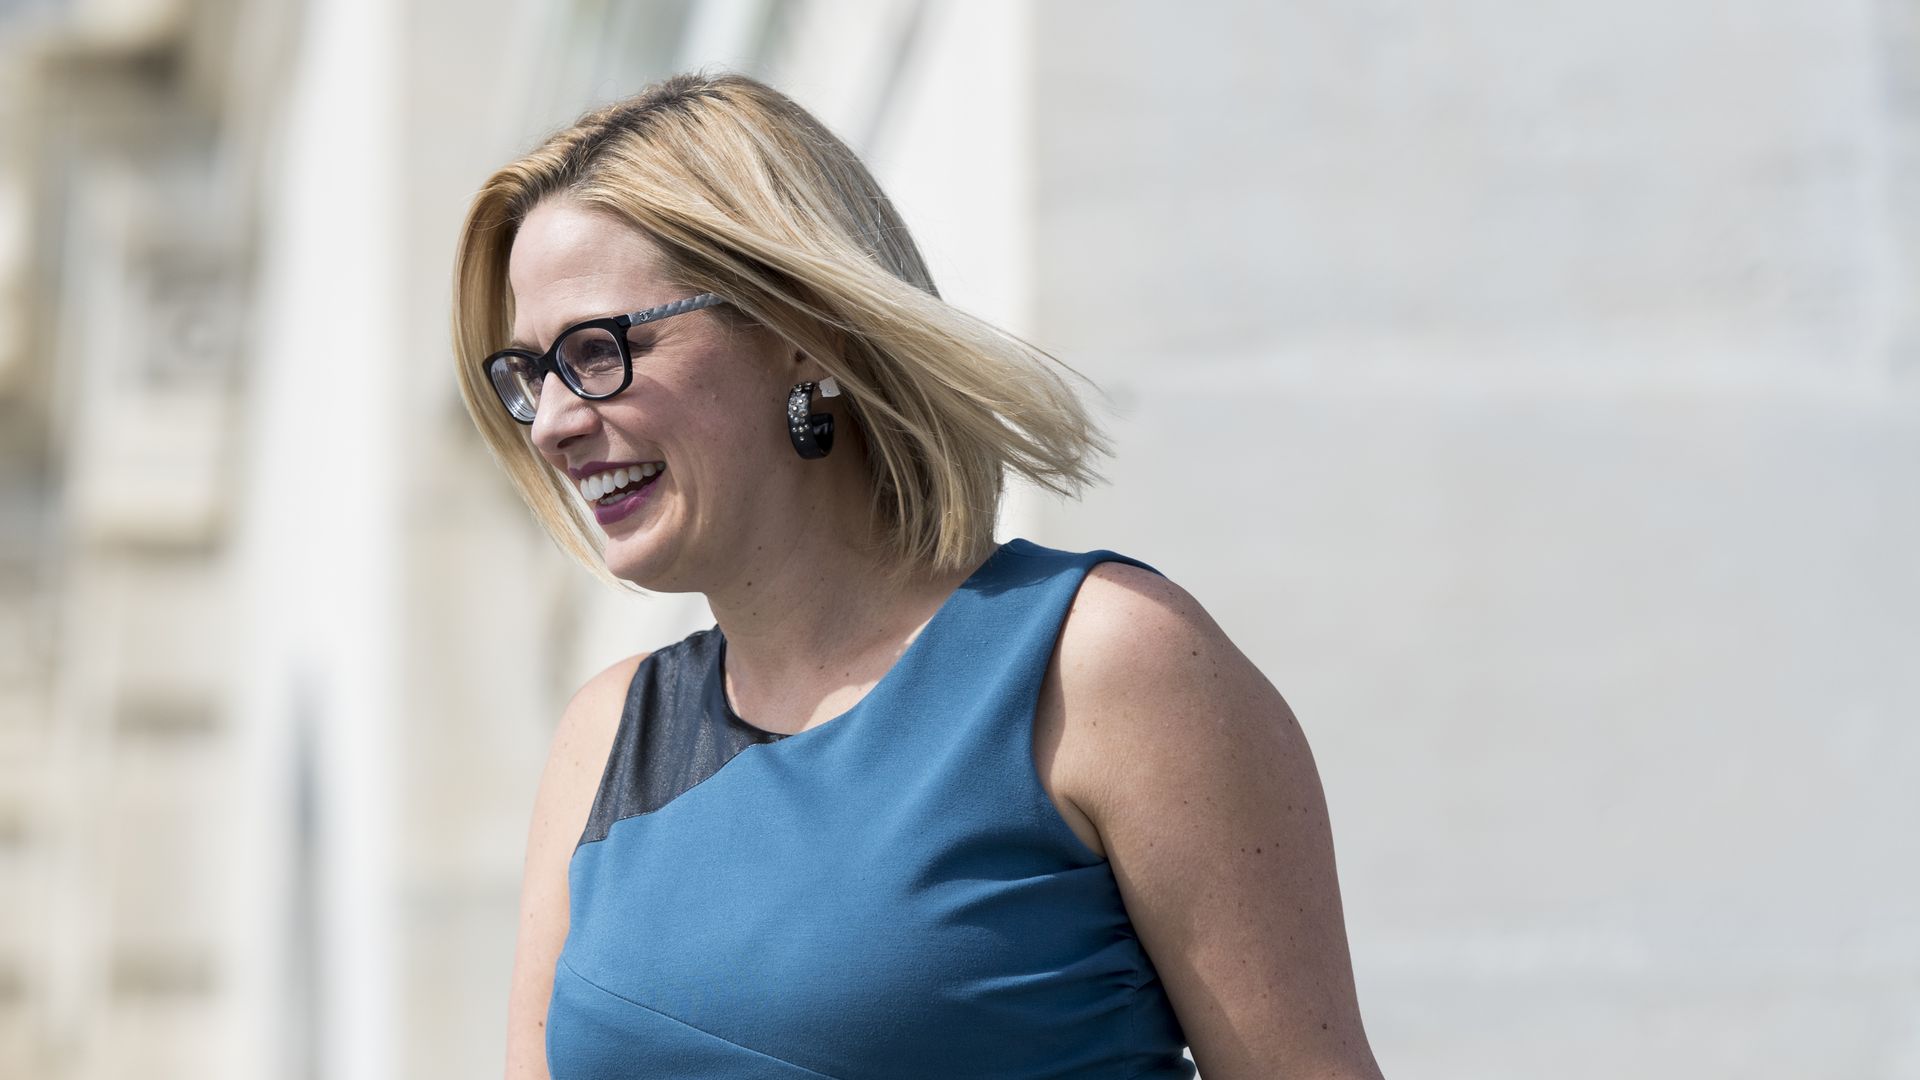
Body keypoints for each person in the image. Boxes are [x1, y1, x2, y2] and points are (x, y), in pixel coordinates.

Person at [451, 70, 1384, 1080]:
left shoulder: (1103, 665)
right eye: (530, 375)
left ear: (802, 326)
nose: (552, 424)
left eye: (596, 351)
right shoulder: (606, 738)